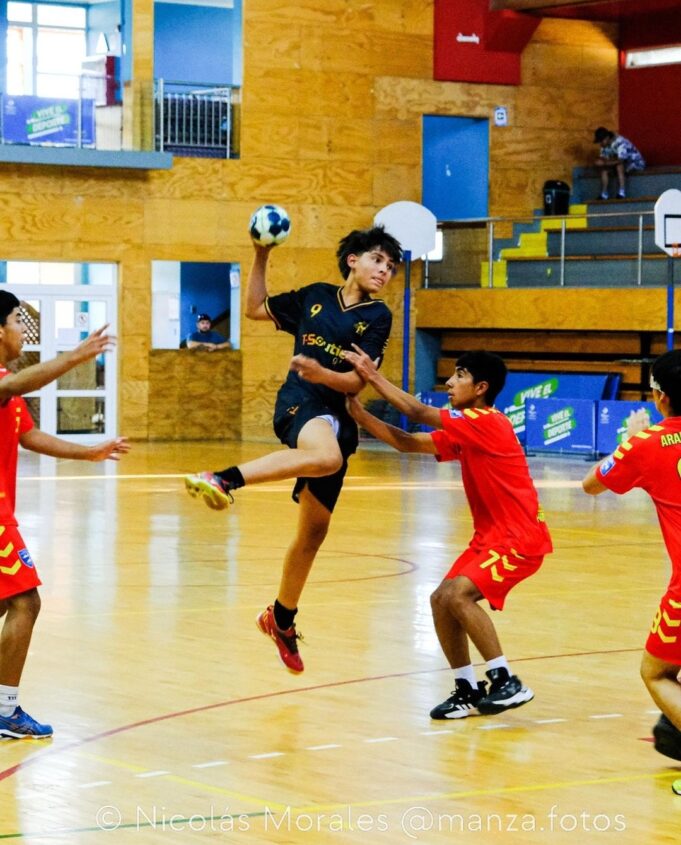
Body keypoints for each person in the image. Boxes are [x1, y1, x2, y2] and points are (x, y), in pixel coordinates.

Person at [184, 226, 403, 673]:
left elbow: (355, 383)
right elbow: (253, 309)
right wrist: (260, 254)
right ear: (353, 260)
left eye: (392, 267)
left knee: (313, 533)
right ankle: (224, 478)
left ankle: (281, 618)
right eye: (378, 260)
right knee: (326, 457)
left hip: (335, 416)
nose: (385, 271)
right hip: (300, 405)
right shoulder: (315, 296)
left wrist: (323, 373)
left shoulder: (378, 317)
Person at [344, 348, 553, 719]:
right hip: (490, 539)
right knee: (440, 599)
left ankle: (506, 680)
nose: (449, 382)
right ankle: (466, 688)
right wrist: (358, 413)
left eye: (459, 375)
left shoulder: (489, 421)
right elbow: (406, 442)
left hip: (520, 539)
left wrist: (371, 375)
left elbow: (417, 413)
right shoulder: (468, 429)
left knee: (458, 595)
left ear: (481, 387)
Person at [0, 290, 129, 739]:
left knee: (8, 602)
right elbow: (15, 386)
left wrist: (89, 452)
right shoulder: (3, 382)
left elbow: (31, 436)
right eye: (18, 320)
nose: (22, 330)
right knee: (25, 602)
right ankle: (4, 711)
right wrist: (77, 355)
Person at [583, 349, 681, 767]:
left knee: (656, 672)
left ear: (659, 397)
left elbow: (591, 485)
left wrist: (629, 440)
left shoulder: (647, 443)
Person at [593, 126, 645, 200]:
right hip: (620, 164)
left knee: (619, 166)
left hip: (635, 163)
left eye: (601, 141)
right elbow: (604, 158)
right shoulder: (604, 146)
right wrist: (599, 161)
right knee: (604, 170)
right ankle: (604, 194)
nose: (600, 143)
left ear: (607, 137)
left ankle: (622, 192)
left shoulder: (620, 142)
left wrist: (604, 163)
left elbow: (621, 160)